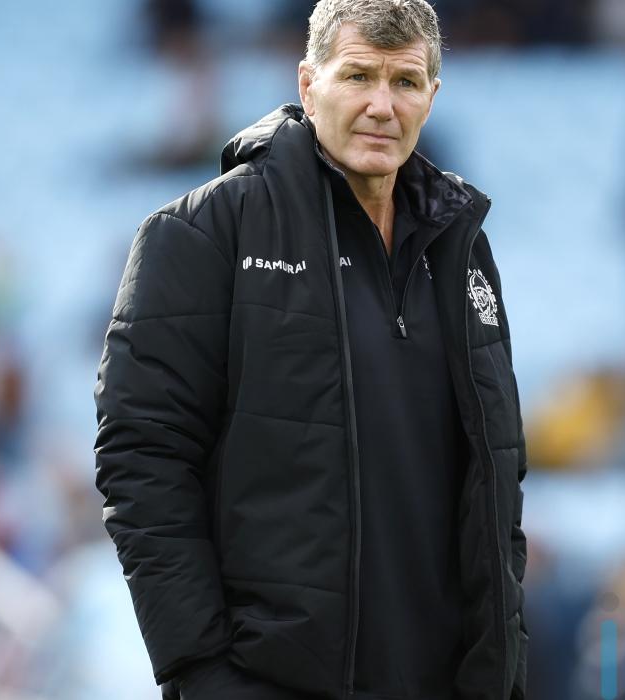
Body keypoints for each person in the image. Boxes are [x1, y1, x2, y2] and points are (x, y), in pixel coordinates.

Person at [93, 1, 529, 699]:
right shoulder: (204, 234)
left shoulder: (462, 250)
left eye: (405, 82)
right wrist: (201, 673)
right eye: (357, 76)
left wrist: (503, 667)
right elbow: (142, 462)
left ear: (431, 97)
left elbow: (498, 480)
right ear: (307, 83)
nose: (382, 105)